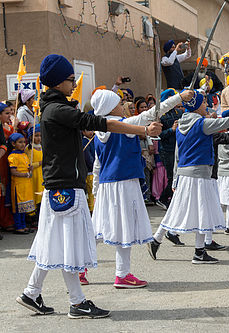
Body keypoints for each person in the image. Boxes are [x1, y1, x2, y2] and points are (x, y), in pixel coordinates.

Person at [16, 54, 162, 319]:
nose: (74, 84)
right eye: (71, 79)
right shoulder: (58, 110)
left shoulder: (53, 108)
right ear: (59, 82)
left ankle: (31, 292)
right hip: (64, 188)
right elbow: (98, 121)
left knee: (53, 243)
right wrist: (142, 131)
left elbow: (93, 124)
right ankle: (77, 302)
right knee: (68, 244)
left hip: (60, 185)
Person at [148, 90, 229, 263]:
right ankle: (184, 248)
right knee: (198, 211)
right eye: (204, 103)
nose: (207, 105)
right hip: (199, 174)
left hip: (186, 173)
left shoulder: (182, 123)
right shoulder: (202, 124)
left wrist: (176, 177)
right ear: (196, 106)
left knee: (188, 210)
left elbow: (178, 153)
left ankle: (188, 248)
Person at [91, 88, 190, 288]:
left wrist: (95, 189)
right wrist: (179, 97)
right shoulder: (125, 125)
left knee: (101, 229)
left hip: (106, 185)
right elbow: (153, 112)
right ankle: (122, 274)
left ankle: (81, 269)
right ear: (110, 107)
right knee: (124, 230)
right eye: (118, 104)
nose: (122, 107)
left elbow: (97, 164)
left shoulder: (98, 131)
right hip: (125, 183)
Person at [8, 133, 35, 234]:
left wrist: (30, 169)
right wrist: (25, 174)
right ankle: (18, 226)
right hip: (18, 185)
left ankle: (23, 226)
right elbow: (13, 172)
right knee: (18, 207)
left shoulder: (24, 155)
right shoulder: (13, 156)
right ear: (13, 143)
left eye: (24, 142)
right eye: (20, 142)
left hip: (25, 185)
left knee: (23, 207)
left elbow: (27, 168)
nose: (23, 144)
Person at [0, 103, 15, 230]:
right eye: (6, 113)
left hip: (4, 161)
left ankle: (6, 220)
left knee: (4, 190)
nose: (9, 115)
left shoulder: (5, 127)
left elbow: (4, 144)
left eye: (10, 113)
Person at [26, 125, 43, 220]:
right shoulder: (29, 148)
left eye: (40, 135)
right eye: (36, 135)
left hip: (41, 175)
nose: (38, 138)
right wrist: (40, 163)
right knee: (34, 194)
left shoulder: (42, 147)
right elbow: (30, 164)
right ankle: (32, 218)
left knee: (41, 195)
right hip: (34, 175)